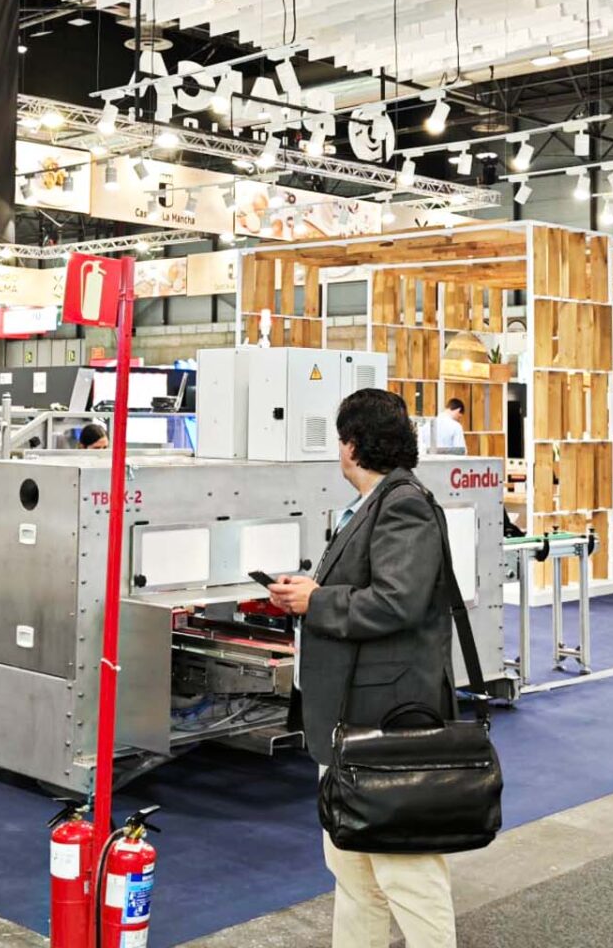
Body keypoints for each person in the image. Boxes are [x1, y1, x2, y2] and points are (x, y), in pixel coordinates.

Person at [268, 388, 456, 948]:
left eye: (339, 441)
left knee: (406, 871)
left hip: (386, 719)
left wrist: (317, 600)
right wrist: (312, 593)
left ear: (351, 445)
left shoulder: (403, 504)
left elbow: (399, 600)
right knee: (351, 867)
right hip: (351, 719)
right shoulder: (375, 504)